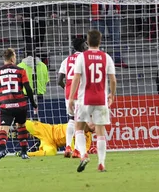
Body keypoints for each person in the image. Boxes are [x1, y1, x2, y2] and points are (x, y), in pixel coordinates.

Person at [68, 29, 117, 173]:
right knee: (101, 132)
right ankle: (101, 163)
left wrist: (71, 97)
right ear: (100, 41)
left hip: (84, 99)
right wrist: (111, 95)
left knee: (79, 129)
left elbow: (76, 78)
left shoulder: (82, 57)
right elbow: (113, 79)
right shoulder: (106, 57)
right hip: (101, 100)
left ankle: (83, 154)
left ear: (87, 42)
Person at [0, 48, 38, 160]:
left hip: (6, 105)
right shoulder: (20, 71)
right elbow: (28, 89)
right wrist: (33, 104)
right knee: (21, 126)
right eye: (15, 56)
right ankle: (24, 152)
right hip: (20, 105)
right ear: (12, 58)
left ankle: (2, 149)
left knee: (2, 128)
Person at [90, 0, 126, 67]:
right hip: (98, 15)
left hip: (113, 14)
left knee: (116, 37)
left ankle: (118, 60)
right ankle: (97, 61)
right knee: (97, 39)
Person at [58, 37, 87, 157]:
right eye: (85, 44)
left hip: (69, 94)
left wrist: (67, 89)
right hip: (81, 93)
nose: (87, 46)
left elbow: (59, 80)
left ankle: (68, 146)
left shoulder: (66, 60)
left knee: (71, 119)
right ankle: (77, 150)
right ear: (82, 46)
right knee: (80, 122)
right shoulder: (85, 59)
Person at [17, 0, 52, 64]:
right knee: (28, 42)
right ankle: (28, 61)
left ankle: (38, 62)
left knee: (39, 42)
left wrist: (52, 12)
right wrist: (20, 13)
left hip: (41, 19)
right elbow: (17, 1)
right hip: (27, 19)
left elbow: (51, 1)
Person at [25, 119, 94, 157]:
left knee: (50, 152)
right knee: (27, 124)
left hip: (52, 143)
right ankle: (15, 119)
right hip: (48, 131)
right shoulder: (74, 125)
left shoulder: (88, 137)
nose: (94, 126)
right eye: (93, 123)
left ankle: (25, 153)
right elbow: (70, 138)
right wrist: (73, 150)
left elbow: (84, 150)